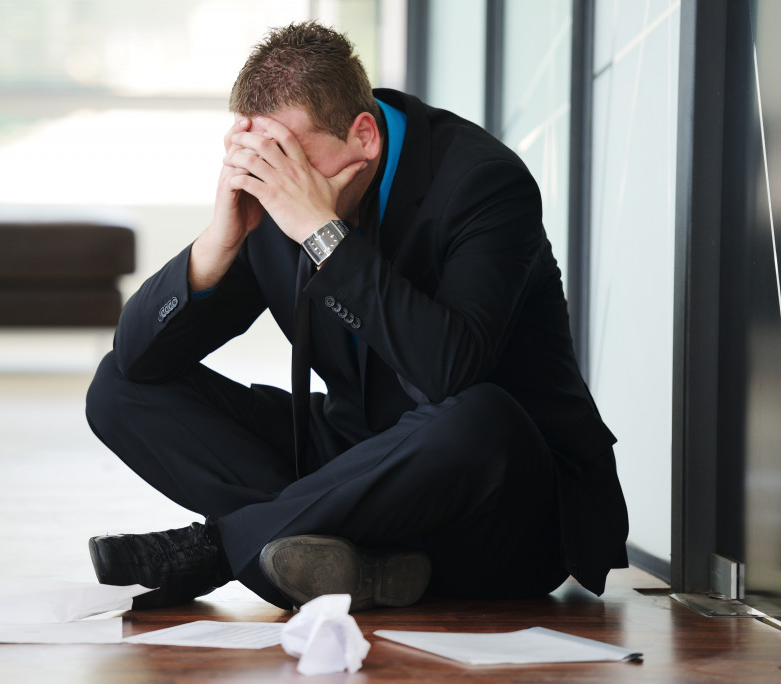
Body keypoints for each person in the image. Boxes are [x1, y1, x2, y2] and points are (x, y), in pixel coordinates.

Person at [85, 21, 628, 612]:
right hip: (358, 464)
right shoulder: (271, 199)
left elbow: (449, 372)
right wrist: (215, 246)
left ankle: (222, 550)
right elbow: (139, 359)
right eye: (262, 156)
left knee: (481, 414)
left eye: (290, 156)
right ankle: (356, 563)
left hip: (495, 503)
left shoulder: (483, 183)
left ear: (364, 136)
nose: (276, 175)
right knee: (117, 388)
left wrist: (325, 236)